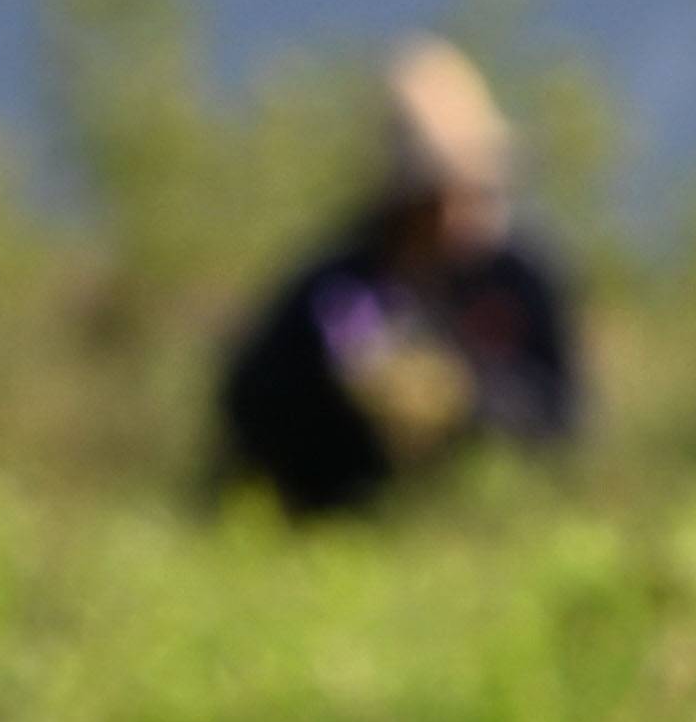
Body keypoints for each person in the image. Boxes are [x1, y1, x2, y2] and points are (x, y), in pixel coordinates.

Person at [210, 36, 581, 518]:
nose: (452, 215)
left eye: (468, 188)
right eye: (433, 195)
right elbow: (251, 412)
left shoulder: (521, 277)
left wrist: (466, 397)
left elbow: (563, 415)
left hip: (493, 528)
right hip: (342, 534)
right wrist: (352, 397)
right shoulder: (335, 288)